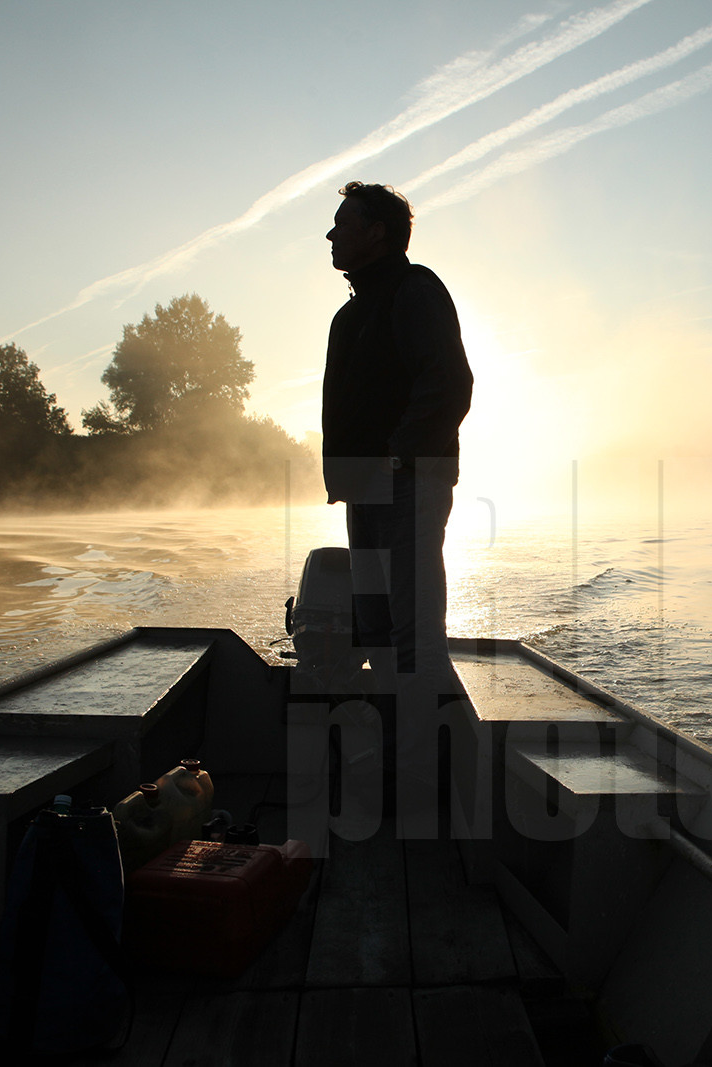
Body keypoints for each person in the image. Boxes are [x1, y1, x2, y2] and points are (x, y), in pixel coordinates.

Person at [320, 181, 472, 834]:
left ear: (377, 230)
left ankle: (420, 793)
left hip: (409, 485)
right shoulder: (350, 314)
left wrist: (398, 457)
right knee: (380, 638)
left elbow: (450, 384)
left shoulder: (417, 290)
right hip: (364, 492)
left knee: (413, 644)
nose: (330, 235)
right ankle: (394, 780)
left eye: (341, 223)